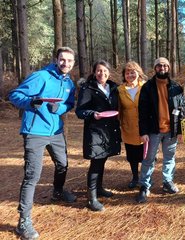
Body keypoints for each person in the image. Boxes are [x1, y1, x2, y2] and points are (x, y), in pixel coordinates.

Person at [9, 47, 77, 240]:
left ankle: (57, 191)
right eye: (63, 60)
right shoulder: (40, 76)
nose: (66, 64)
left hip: (56, 132)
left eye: (70, 61)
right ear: (56, 60)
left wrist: (61, 107)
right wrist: (31, 102)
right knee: (32, 175)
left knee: (63, 164)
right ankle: (23, 222)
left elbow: (70, 103)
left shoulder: (69, 83)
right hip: (34, 132)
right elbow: (15, 95)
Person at [136, 57, 185, 203]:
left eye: (164, 65)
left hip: (171, 131)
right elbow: (142, 111)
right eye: (159, 65)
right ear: (155, 68)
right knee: (149, 159)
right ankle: (144, 185)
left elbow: (181, 111)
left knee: (169, 158)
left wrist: (180, 130)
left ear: (168, 68)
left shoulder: (176, 87)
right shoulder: (147, 87)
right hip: (153, 131)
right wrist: (143, 132)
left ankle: (167, 182)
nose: (162, 68)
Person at [76, 60, 121, 211]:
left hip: (109, 131)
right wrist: (93, 114)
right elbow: (80, 112)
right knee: (96, 163)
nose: (102, 73)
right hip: (95, 131)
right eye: (99, 71)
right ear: (94, 73)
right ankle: (91, 198)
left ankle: (100, 189)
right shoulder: (87, 88)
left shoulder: (113, 87)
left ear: (109, 72)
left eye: (105, 70)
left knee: (103, 161)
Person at [118, 61, 147, 189]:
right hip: (128, 127)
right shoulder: (120, 90)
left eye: (133, 72)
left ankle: (145, 178)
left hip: (144, 127)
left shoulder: (145, 87)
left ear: (138, 73)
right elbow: (117, 108)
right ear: (124, 75)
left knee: (146, 155)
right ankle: (135, 177)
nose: (130, 75)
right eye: (127, 73)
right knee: (132, 156)